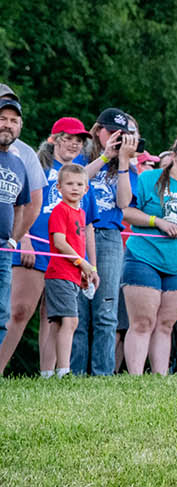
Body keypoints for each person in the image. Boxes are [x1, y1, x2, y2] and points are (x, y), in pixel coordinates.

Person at [0, 116, 96, 377]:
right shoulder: (37, 165)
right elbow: (21, 202)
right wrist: (24, 236)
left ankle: (48, 373)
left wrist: (90, 263)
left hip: (67, 256)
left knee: (53, 316)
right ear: (54, 140)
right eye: (69, 139)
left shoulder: (80, 177)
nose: (74, 145)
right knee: (19, 310)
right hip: (36, 246)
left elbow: (87, 225)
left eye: (79, 141)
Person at [117, 133, 177, 375]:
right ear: (175, 155)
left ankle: (159, 378)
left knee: (165, 325)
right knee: (143, 322)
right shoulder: (149, 179)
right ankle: (135, 377)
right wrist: (157, 221)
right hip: (144, 258)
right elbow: (126, 211)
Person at [75, 108, 136, 375]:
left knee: (106, 310)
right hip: (77, 234)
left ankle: (102, 373)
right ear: (97, 130)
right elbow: (74, 180)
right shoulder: (82, 157)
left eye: (120, 135)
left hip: (109, 237)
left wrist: (122, 162)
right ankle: (72, 372)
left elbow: (123, 203)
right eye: (110, 132)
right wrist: (104, 156)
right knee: (77, 310)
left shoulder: (127, 168)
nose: (114, 138)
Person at [0, 85, 45, 359]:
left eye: (14, 120)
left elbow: (25, 204)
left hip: (4, 250)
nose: (8, 124)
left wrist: (15, 238)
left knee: (2, 315)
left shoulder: (20, 160)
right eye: (2, 117)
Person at [41, 163, 94, 377]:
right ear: (59, 188)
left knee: (57, 324)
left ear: (86, 189)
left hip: (72, 274)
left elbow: (78, 243)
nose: (74, 188)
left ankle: (47, 372)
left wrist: (81, 271)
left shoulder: (81, 213)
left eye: (79, 184)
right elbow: (60, 242)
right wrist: (83, 263)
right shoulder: (60, 210)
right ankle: (64, 371)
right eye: (69, 184)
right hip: (59, 273)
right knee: (70, 321)